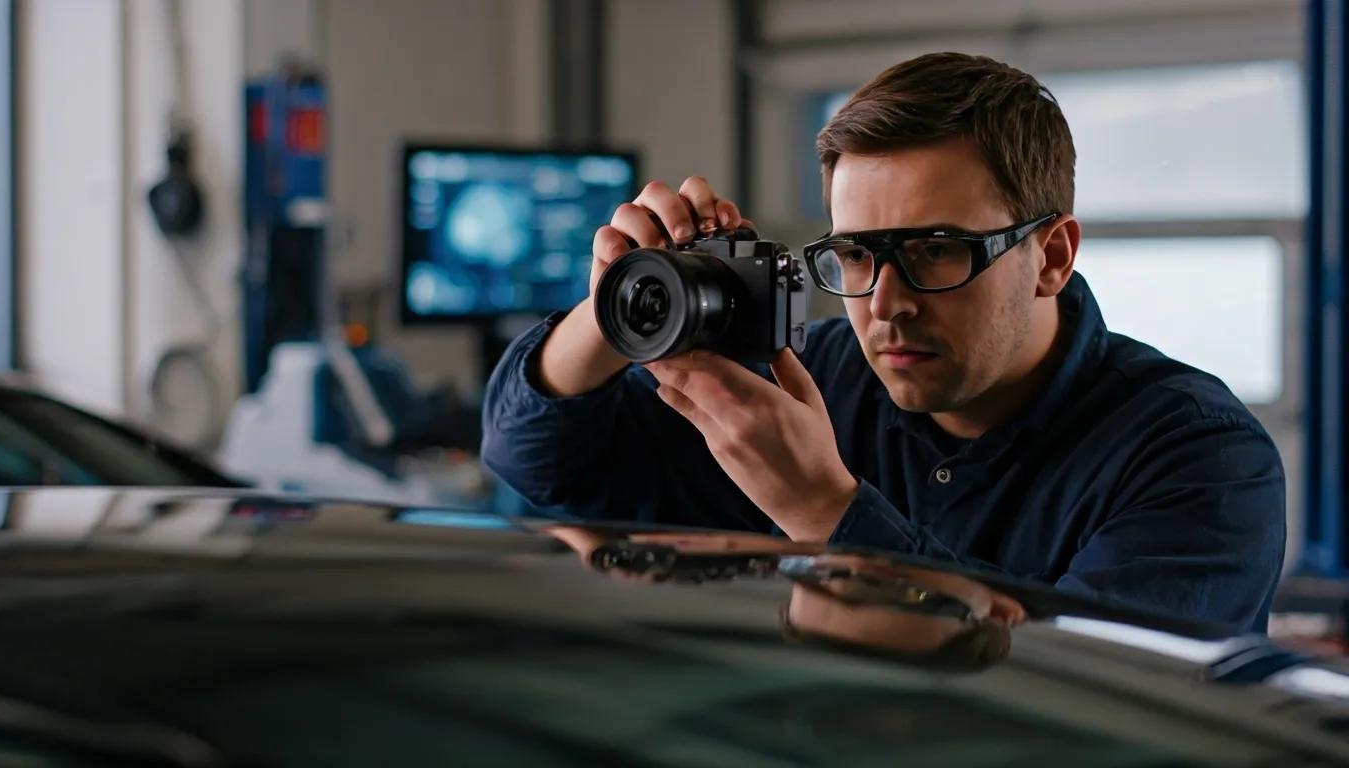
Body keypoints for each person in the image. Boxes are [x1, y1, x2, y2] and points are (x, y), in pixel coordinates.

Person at [481, 52, 1285, 632]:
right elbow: (534, 458)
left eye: (937, 250)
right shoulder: (822, 376)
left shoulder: (1198, 459)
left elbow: (1077, 707)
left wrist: (821, 508)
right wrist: (617, 300)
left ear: (1052, 257)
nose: (886, 305)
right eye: (857, 255)